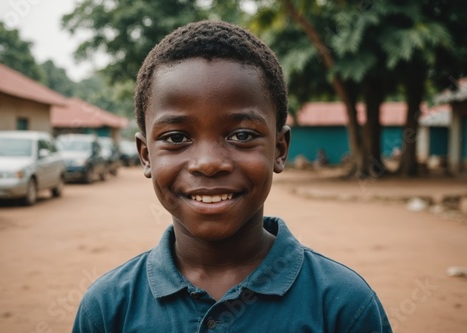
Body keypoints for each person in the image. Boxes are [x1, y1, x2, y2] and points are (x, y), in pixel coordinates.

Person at [72, 20, 392, 332]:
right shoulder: (108, 309)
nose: (209, 163)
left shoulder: (343, 307)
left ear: (279, 149)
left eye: (241, 135)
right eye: (175, 138)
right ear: (146, 155)